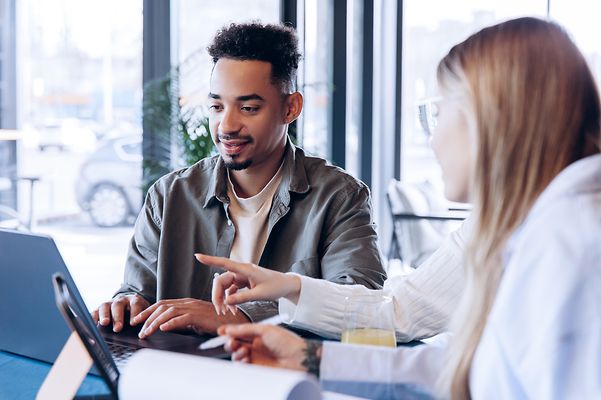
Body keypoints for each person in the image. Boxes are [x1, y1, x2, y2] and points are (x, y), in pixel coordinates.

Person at [204, 17, 601, 399]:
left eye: (440, 111)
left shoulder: (574, 244)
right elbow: (442, 345)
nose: (432, 139)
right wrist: (311, 353)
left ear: (495, 121)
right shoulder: (524, 225)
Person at [91, 22, 387, 337]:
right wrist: (125, 303)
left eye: (247, 107)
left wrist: (243, 316)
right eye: (216, 106)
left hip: (279, 379)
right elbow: (138, 292)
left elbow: (360, 304)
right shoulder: (169, 195)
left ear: (291, 108)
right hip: (177, 376)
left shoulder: (338, 196)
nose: (227, 125)